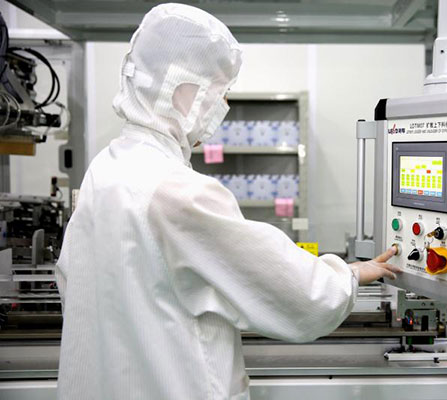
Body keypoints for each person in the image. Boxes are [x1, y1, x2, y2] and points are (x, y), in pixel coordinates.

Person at [55, 3, 400, 399]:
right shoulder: (178, 191)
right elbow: (297, 295)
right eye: (219, 94)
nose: (224, 108)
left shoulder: (105, 169)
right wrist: (348, 275)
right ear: (182, 92)